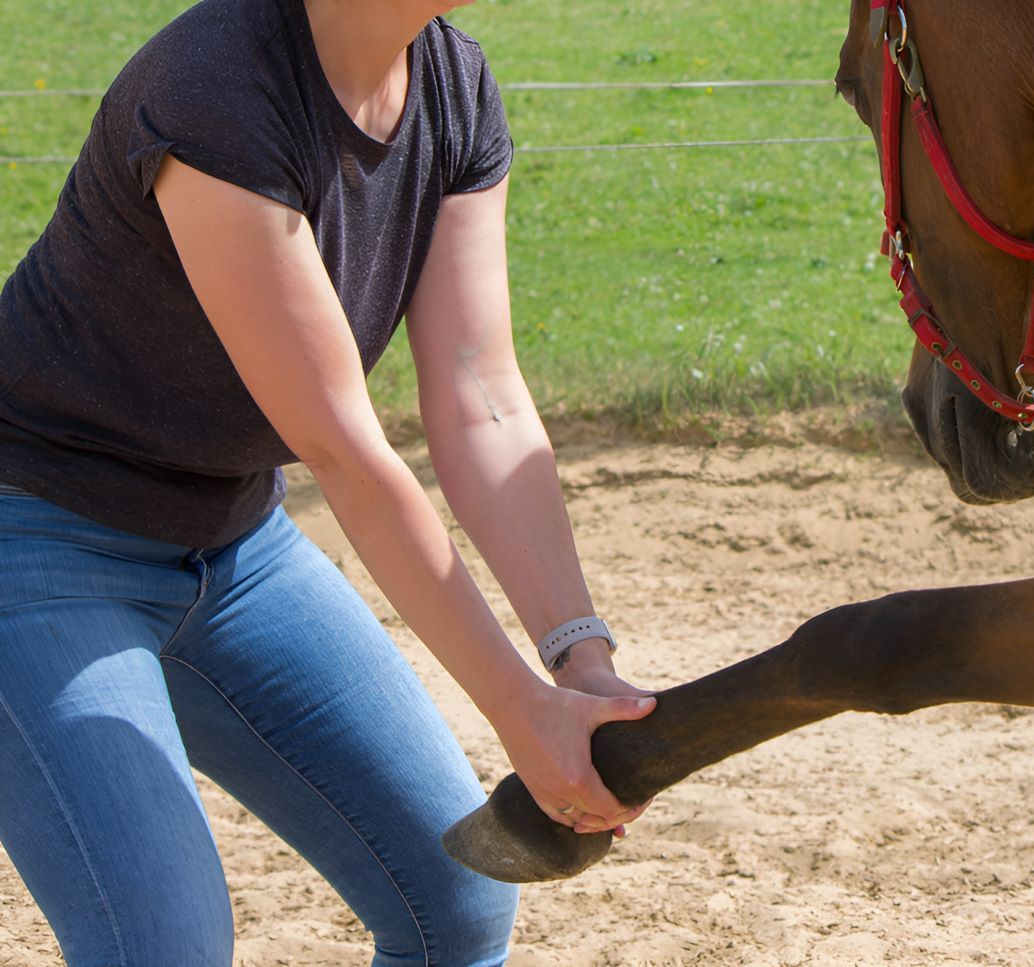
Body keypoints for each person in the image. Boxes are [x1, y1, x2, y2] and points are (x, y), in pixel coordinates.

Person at [0, 0, 655, 961]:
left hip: (232, 543)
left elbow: (482, 395)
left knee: (458, 902)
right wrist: (521, 712)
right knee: (162, 947)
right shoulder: (217, 87)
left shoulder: (453, 86)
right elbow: (345, 450)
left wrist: (577, 661)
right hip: (32, 538)